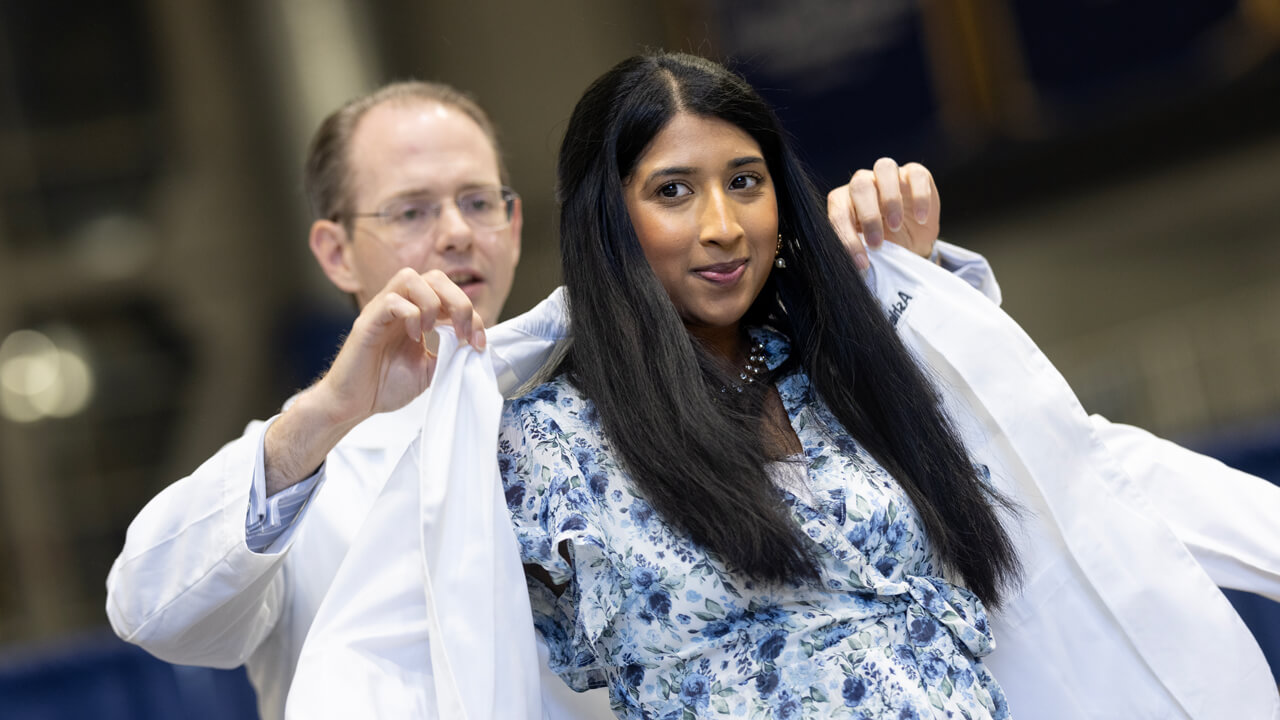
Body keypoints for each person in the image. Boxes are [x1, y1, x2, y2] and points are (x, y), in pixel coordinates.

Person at [103, 80, 951, 720]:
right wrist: (329, 412)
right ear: (333, 250)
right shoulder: (305, 467)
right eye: (410, 210)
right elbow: (154, 611)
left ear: (515, 223)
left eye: (478, 202)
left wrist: (904, 287)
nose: (455, 233)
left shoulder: (593, 419)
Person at [494, 51, 1280, 719]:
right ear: (606, 217)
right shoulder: (546, 440)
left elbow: (1070, 465)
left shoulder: (843, 365)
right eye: (672, 191)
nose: (722, 226)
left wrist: (916, 282)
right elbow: (412, 619)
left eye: (744, 181)